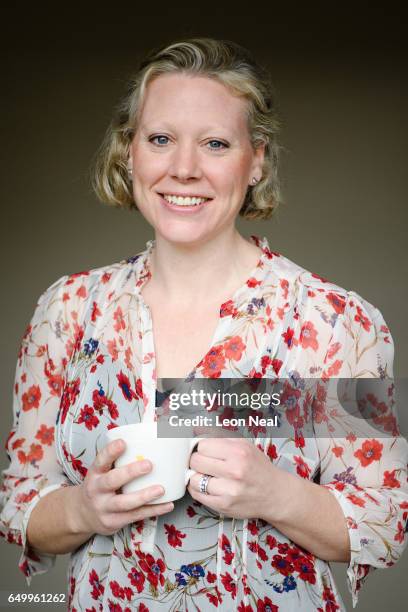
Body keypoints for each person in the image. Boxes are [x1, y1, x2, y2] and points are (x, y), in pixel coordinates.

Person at [0, 37, 407, 612]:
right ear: (129, 151)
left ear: (256, 158)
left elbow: (384, 520)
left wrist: (275, 493)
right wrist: (81, 510)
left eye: (215, 143)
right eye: (160, 139)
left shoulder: (331, 323)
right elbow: (19, 499)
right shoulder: (68, 312)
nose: (184, 169)